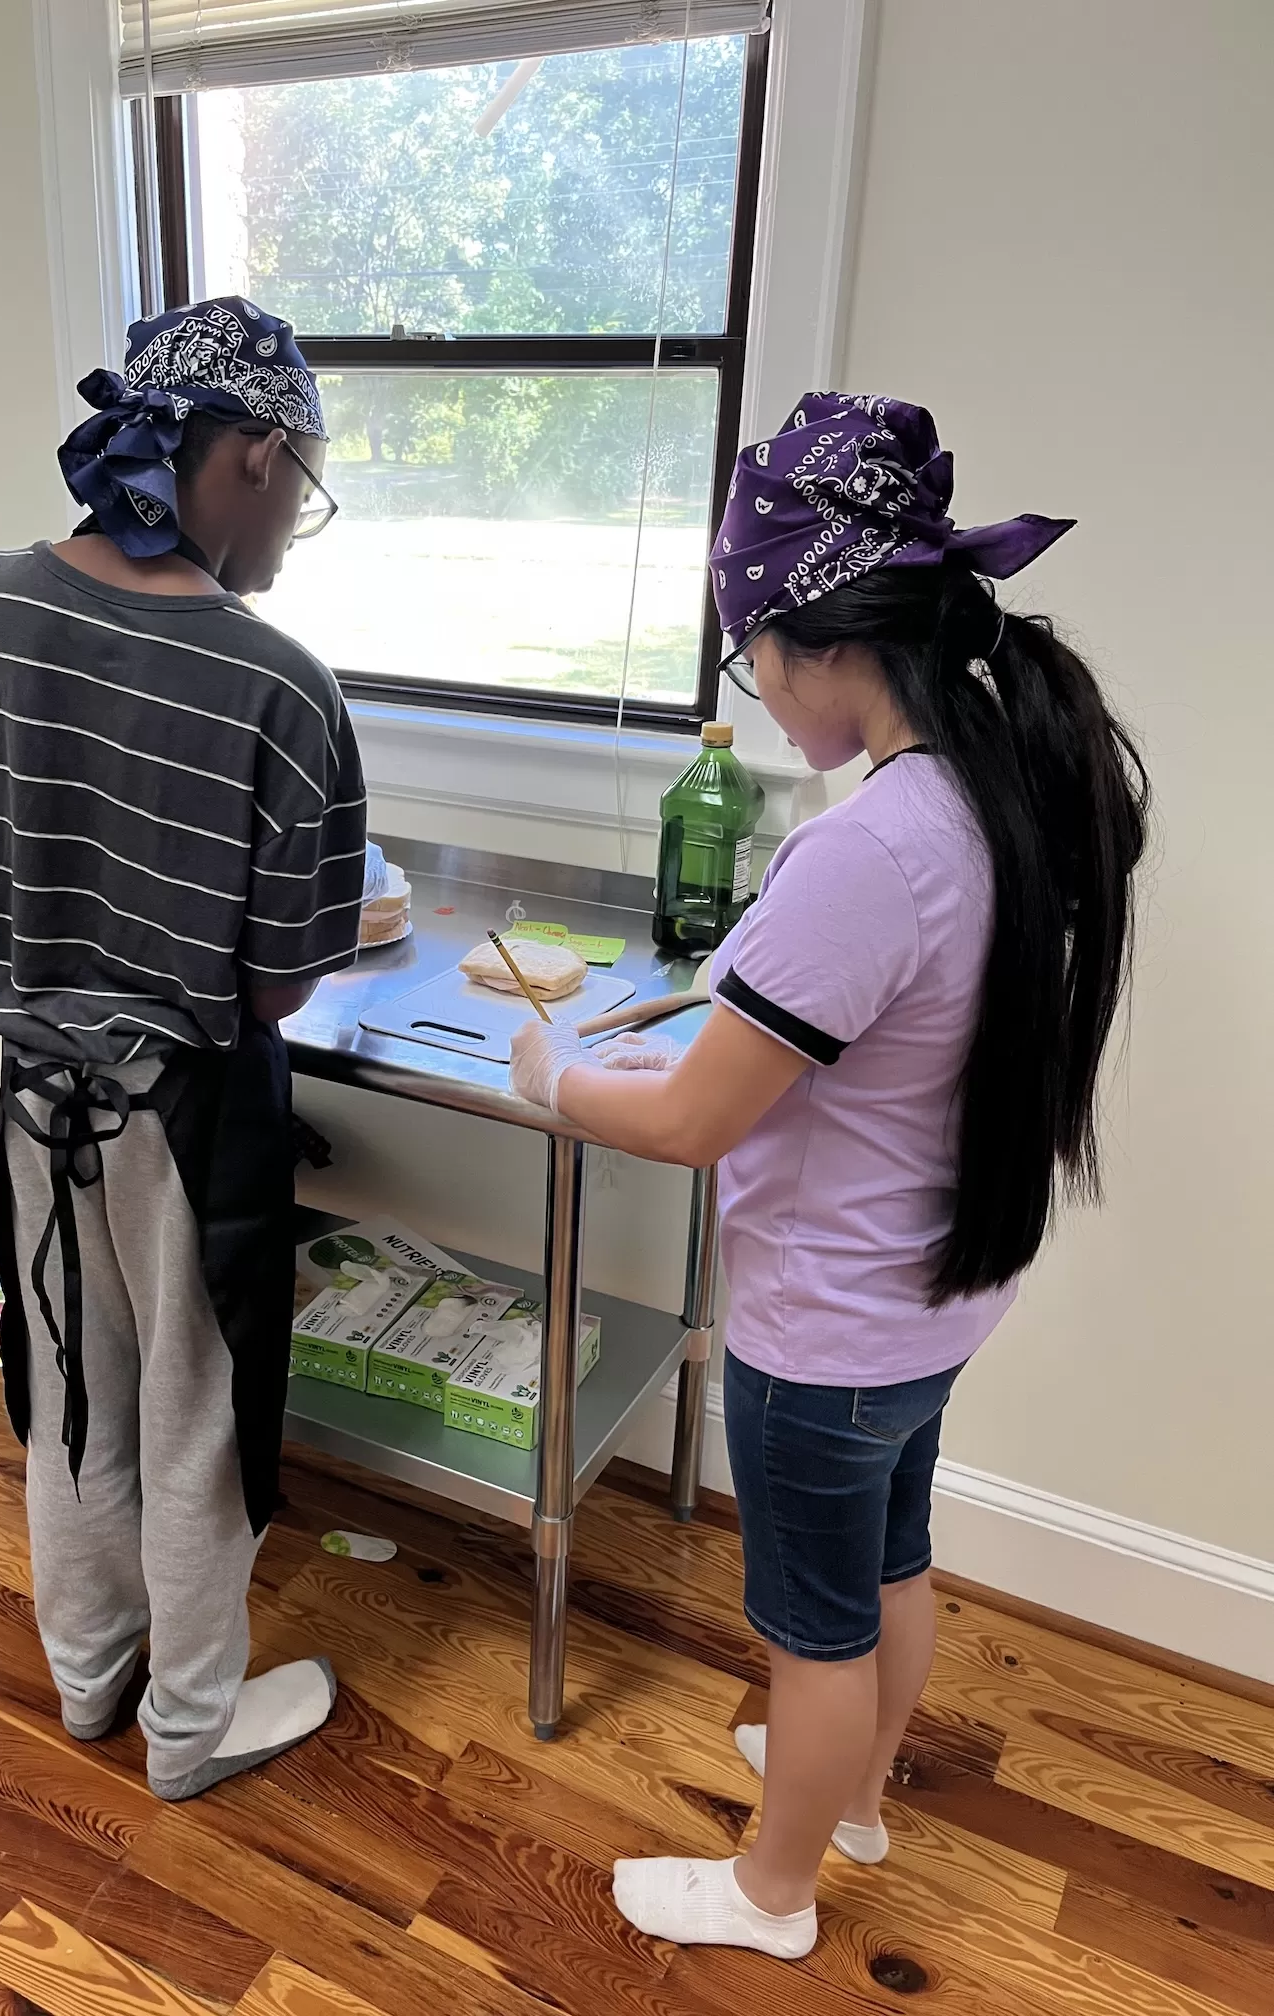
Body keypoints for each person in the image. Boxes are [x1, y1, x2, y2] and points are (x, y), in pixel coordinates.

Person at [510, 393, 1148, 1959]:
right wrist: (698, 1044)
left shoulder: (866, 850)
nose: (759, 694)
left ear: (810, 633)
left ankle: (772, 1890)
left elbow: (688, 1126)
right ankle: (852, 1797)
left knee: (811, 1627)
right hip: (936, 1298)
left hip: (826, 1331)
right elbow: (850, 1054)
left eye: (750, 658)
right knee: (891, 1564)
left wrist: (553, 1078)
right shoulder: (993, 795)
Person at [0, 297, 367, 1802]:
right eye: (301, 490)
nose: (293, 531)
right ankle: (188, 1730)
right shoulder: (280, 686)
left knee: (65, 1389)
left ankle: (88, 1681)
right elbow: (275, 993)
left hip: (32, 1092)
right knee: (201, 1415)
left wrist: (16, 798)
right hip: (191, 1115)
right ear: (246, 456)